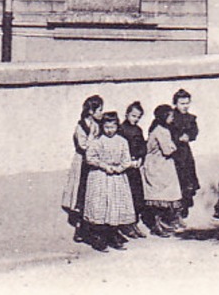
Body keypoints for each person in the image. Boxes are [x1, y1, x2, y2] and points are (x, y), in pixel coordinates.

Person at [81, 112, 140, 251]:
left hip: (117, 178)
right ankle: (99, 238)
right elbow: (90, 158)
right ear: (102, 127)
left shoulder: (122, 141)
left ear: (117, 126)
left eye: (112, 127)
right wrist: (104, 166)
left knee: (115, 206)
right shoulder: (97, 141)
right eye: (106, 127)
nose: (109, 130)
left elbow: (126, 159)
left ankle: (113, 235)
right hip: (100, 177)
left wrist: (120, 168)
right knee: (101, 206)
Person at [60, 96, 104, 245]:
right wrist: (93, 138)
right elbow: (84, 146)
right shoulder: (81, 127)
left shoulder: (97, 125)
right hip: (82, 163)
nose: (101, 114)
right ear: (91, 111)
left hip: (93, 162)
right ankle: (79, 229)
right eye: (99, 110)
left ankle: (92, 228)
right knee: (81, 195)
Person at [140, 104, 183, 236]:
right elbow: (168, 150)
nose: (172, 118)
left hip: (161, 165)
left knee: (165, 196)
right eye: (170, 116)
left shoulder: (159, 129)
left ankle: (165, 223)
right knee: (159, 198)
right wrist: (176, 146)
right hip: (157, 166)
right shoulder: (161, 131)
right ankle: (157, 226)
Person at [119, 101, 151, 238]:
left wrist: (140, 158)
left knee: (137, 196)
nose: (135, 119)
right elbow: (119, 148)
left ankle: (135, 223)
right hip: (125, 168)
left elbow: (143, 146)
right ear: (127, 114)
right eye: (133, 116)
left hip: (135, 168)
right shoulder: (121, 129)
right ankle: (126, 226)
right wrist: (128, 161)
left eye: (138, 117)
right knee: (127, 196)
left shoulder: (138, 130)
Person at [168, 89, 200, 221]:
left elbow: (194, 131)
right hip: (173, 154)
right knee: (176, 181)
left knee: (188, 180)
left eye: (187, 103)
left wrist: (189, 136)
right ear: (175, 103)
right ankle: (174, 212)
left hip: (185, 153)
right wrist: (177, 137)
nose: (185, 106)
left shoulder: (190, 118)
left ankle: (184, 208)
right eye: (182, 103)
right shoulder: (170, 117)